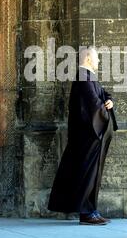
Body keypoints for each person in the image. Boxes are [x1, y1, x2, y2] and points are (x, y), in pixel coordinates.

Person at [48, 46, 118, 225]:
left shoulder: (88, 77)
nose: (99, 61)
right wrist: (104, 107)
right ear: (88, 58)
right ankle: (86, 214)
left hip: (91, 136)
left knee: (91, 173)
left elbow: (102, 96)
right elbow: (93, 105)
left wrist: (109, 101)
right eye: (96, 58)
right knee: (87, 173)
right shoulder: (82, 77)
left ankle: (92, 210)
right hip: (88, 136)